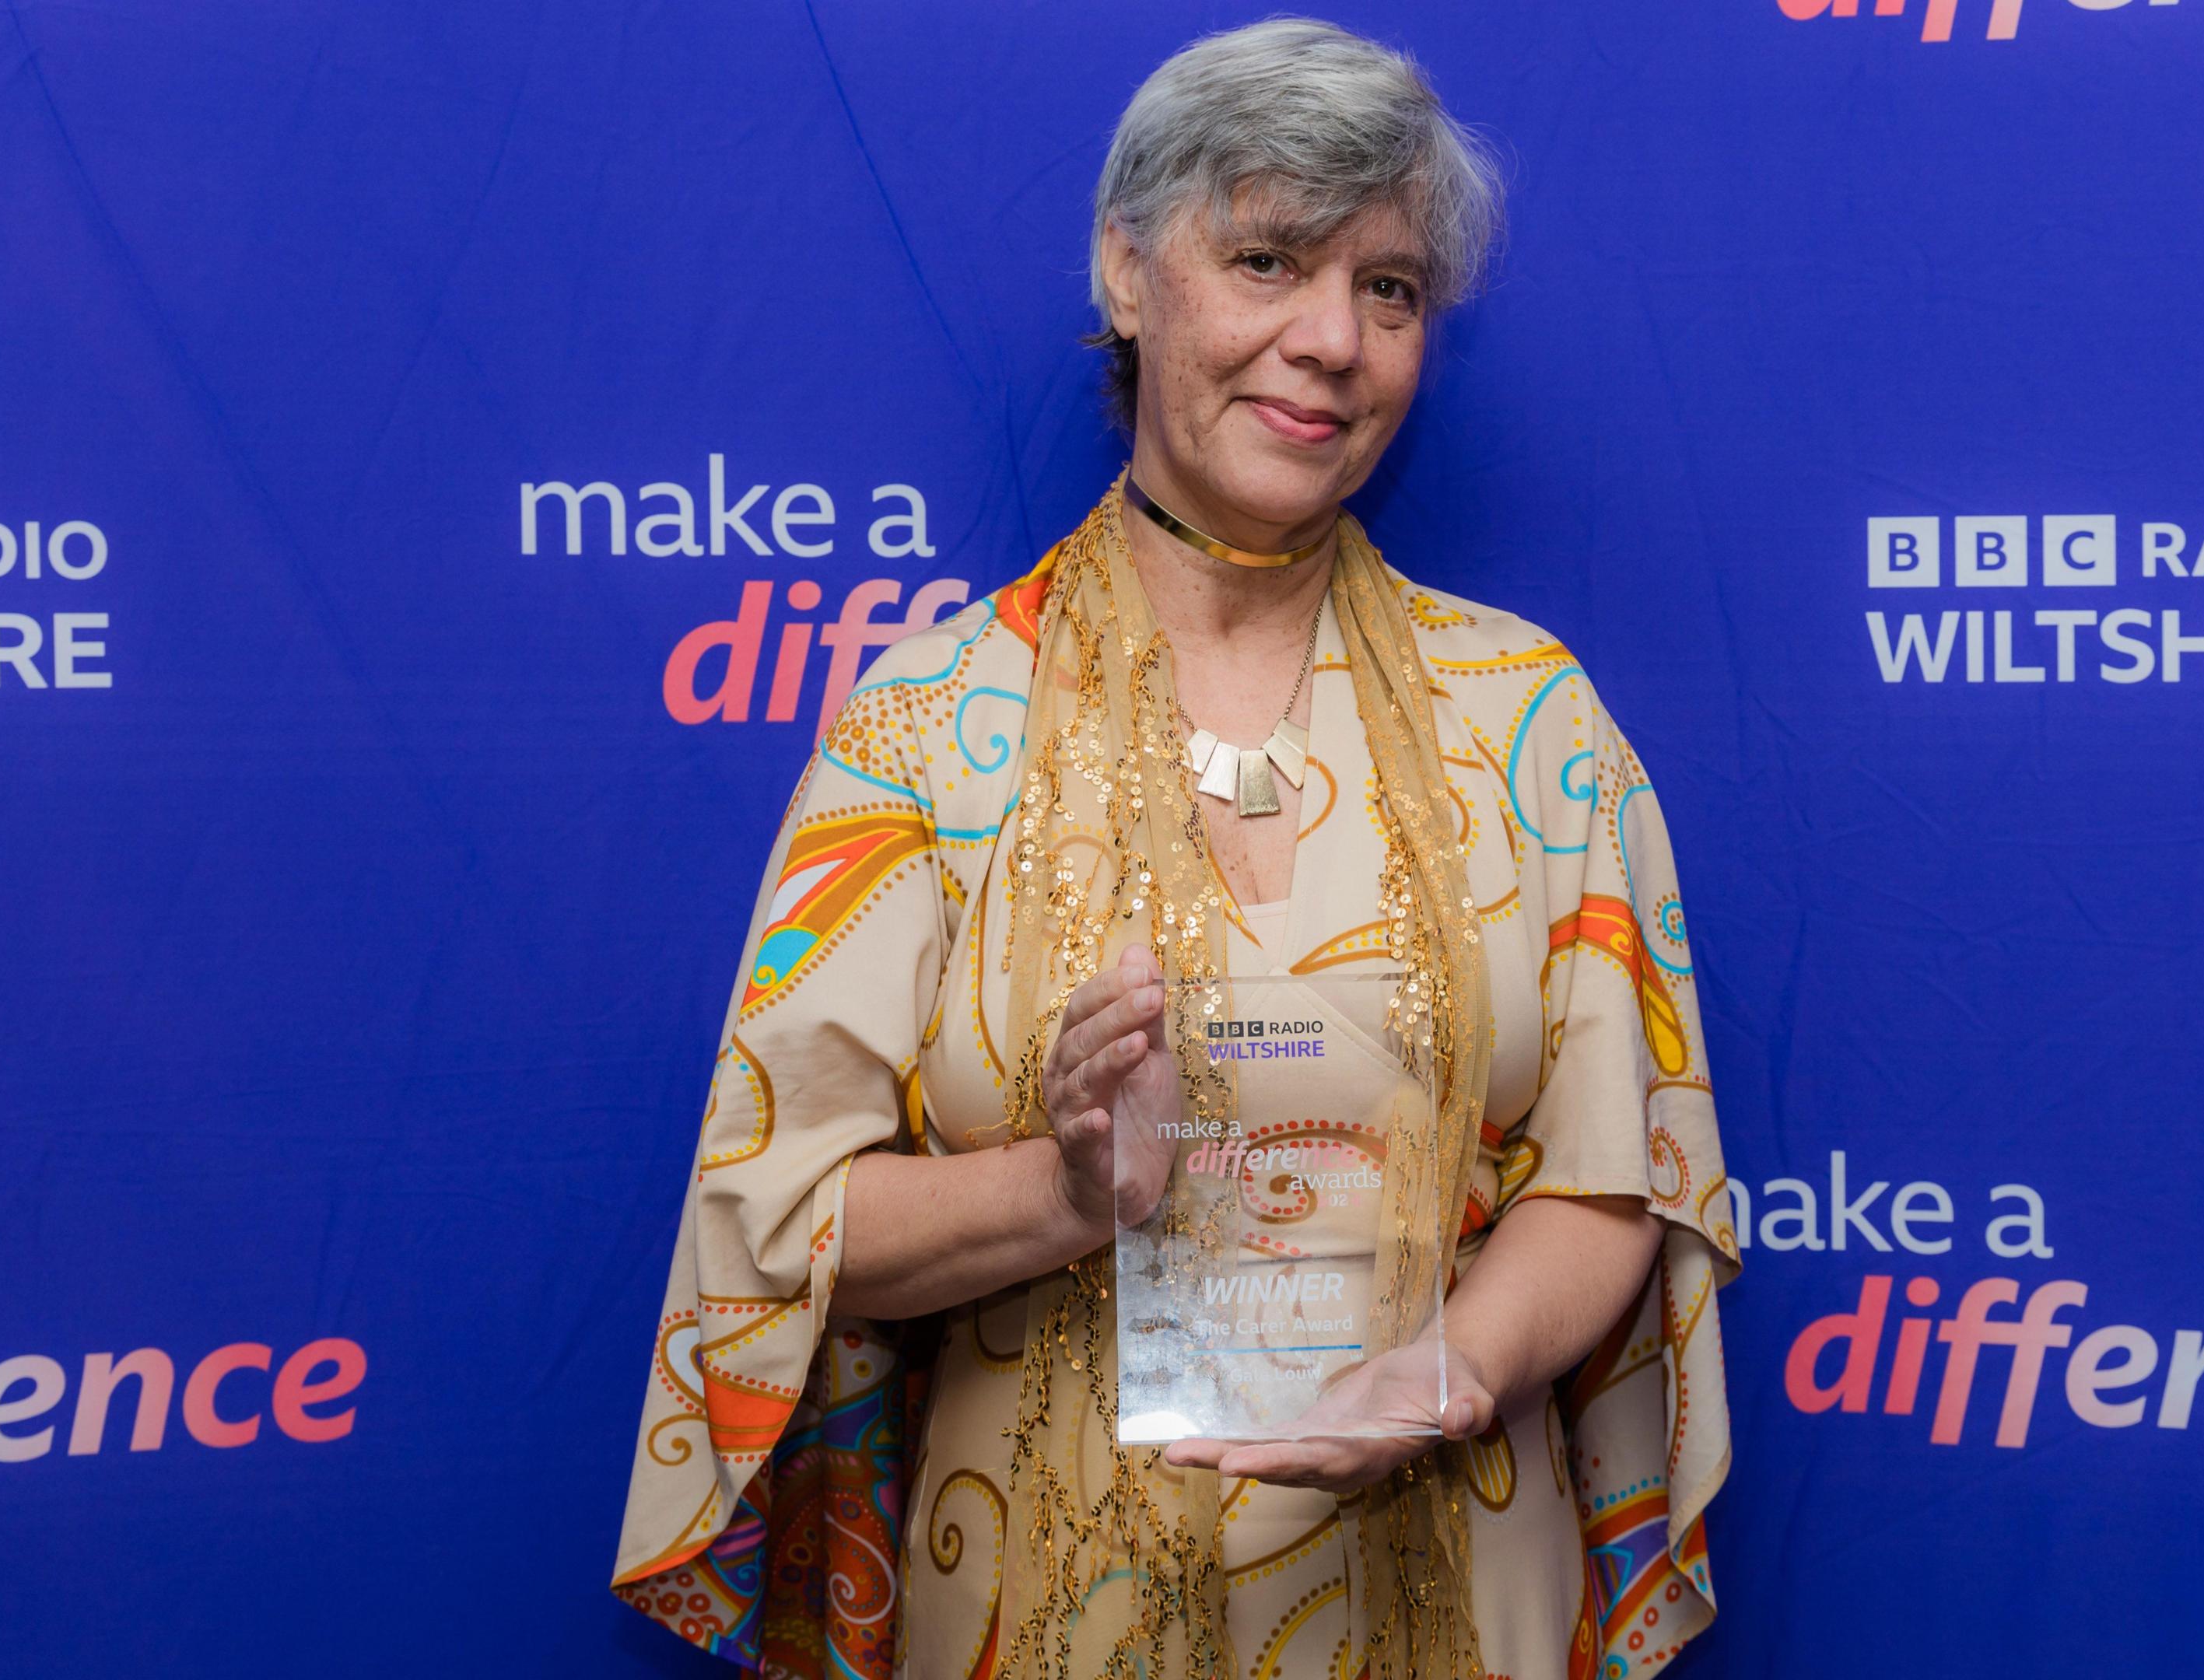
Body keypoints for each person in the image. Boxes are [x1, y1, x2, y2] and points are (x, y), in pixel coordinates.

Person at [612, 19, 1736, 1678]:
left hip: (1458, 1596)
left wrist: (1449, 1372)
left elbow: (1614, 1171)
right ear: (1129, 275)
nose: (1331, 342)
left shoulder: (1533, 719)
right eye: (1267, 258)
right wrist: (1068, 1188)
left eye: (1392, 290)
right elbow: (779, 1227)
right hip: (1035, 1618)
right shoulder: (925, 727)